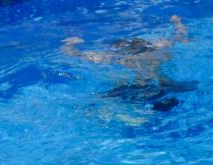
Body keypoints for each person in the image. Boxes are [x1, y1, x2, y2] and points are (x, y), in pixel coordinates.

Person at [63, 16, 191, 114]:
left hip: (133, 87)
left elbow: (77, 55)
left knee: (100, 99)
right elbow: (180, 37)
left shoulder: (120, 58)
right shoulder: (158, 49)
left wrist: (69, 44)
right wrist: (177, 22)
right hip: (164, 84)